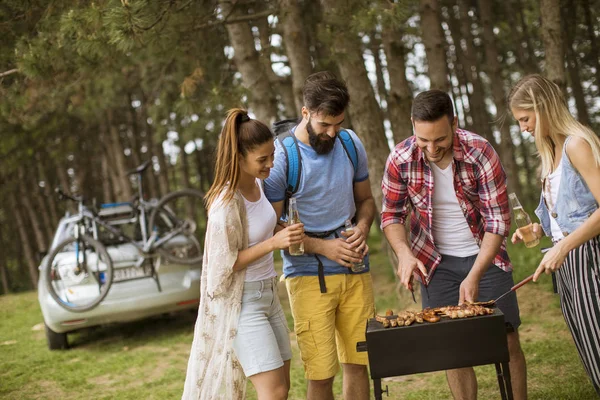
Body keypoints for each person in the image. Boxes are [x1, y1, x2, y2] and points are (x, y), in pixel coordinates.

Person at [381, 90, 528, 400]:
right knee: (451, 346)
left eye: (440, 139)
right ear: (412, 125)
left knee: (506, 337)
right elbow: (392, 215)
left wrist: (474, 274)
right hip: (435, 262)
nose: (432, 149)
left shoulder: (480, 152)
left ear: (454, 123)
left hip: (484, 256)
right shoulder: (401, 158)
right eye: (424, 140)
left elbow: (497, 221)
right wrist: (404, 254)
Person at [264, 71, 376, 400]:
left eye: (338, 123)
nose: (332, 132)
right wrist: (324, 247)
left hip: (356, 270)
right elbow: (270, 225)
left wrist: (363, 227)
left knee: (359, 363)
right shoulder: (283, 156)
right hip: (307, 276)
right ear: (306, 113)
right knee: (321, 372)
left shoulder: (351, 143)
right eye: (325, 124)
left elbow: (366, 201)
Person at [182, 109, 304, 400]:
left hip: (269, 295)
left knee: (282, 388)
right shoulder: (225, 204)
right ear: (239, 157)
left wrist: (279, 227)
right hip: (243, 303)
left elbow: (256, 226)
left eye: (272, 155)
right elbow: (223, 267)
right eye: (262, 159)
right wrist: (274, 243)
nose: (271, 164)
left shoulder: (259, 185)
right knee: (272, 392)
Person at [509, 74, 600, 396]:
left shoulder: (577, 144)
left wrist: (563, 248)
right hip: (568, 263)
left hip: (589, 258)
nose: (523, 128)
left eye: (525, 118)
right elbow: (568, 214)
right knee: (589, 349)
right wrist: (538, 229)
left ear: (543, 107)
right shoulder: (552, 153)